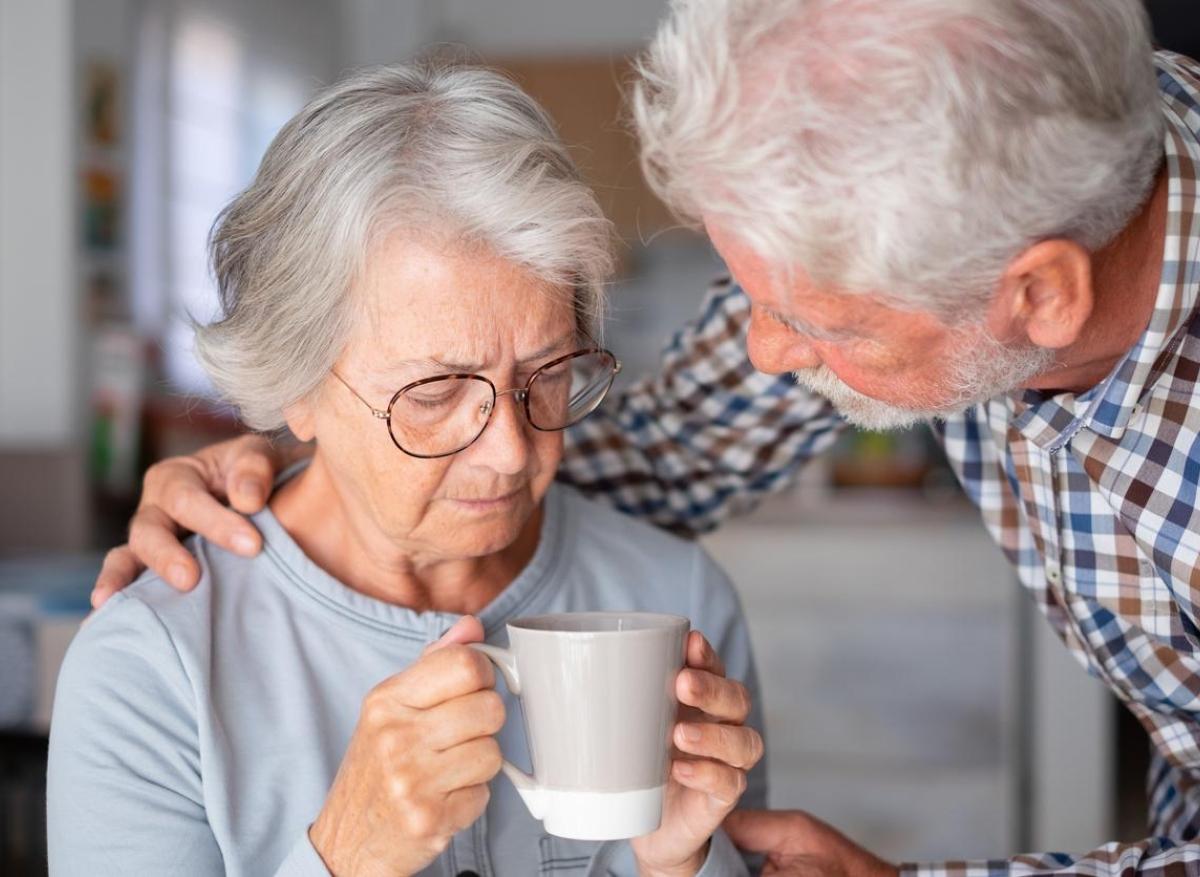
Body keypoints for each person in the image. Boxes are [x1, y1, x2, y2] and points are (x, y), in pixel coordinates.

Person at [92, 0, 1200, 874]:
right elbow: (650, 453)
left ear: (1041, 300)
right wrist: (304, 461)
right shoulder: (1001, 175)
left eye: (820, 324)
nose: (764, 354)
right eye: (433, 390)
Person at [48, 63, 768, 877]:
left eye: (549, 372)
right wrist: (344, 855)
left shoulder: (682, 603)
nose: (509, 450)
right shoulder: (150, 668)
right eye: (434, 393)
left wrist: (683, 864)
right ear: (296, 387)